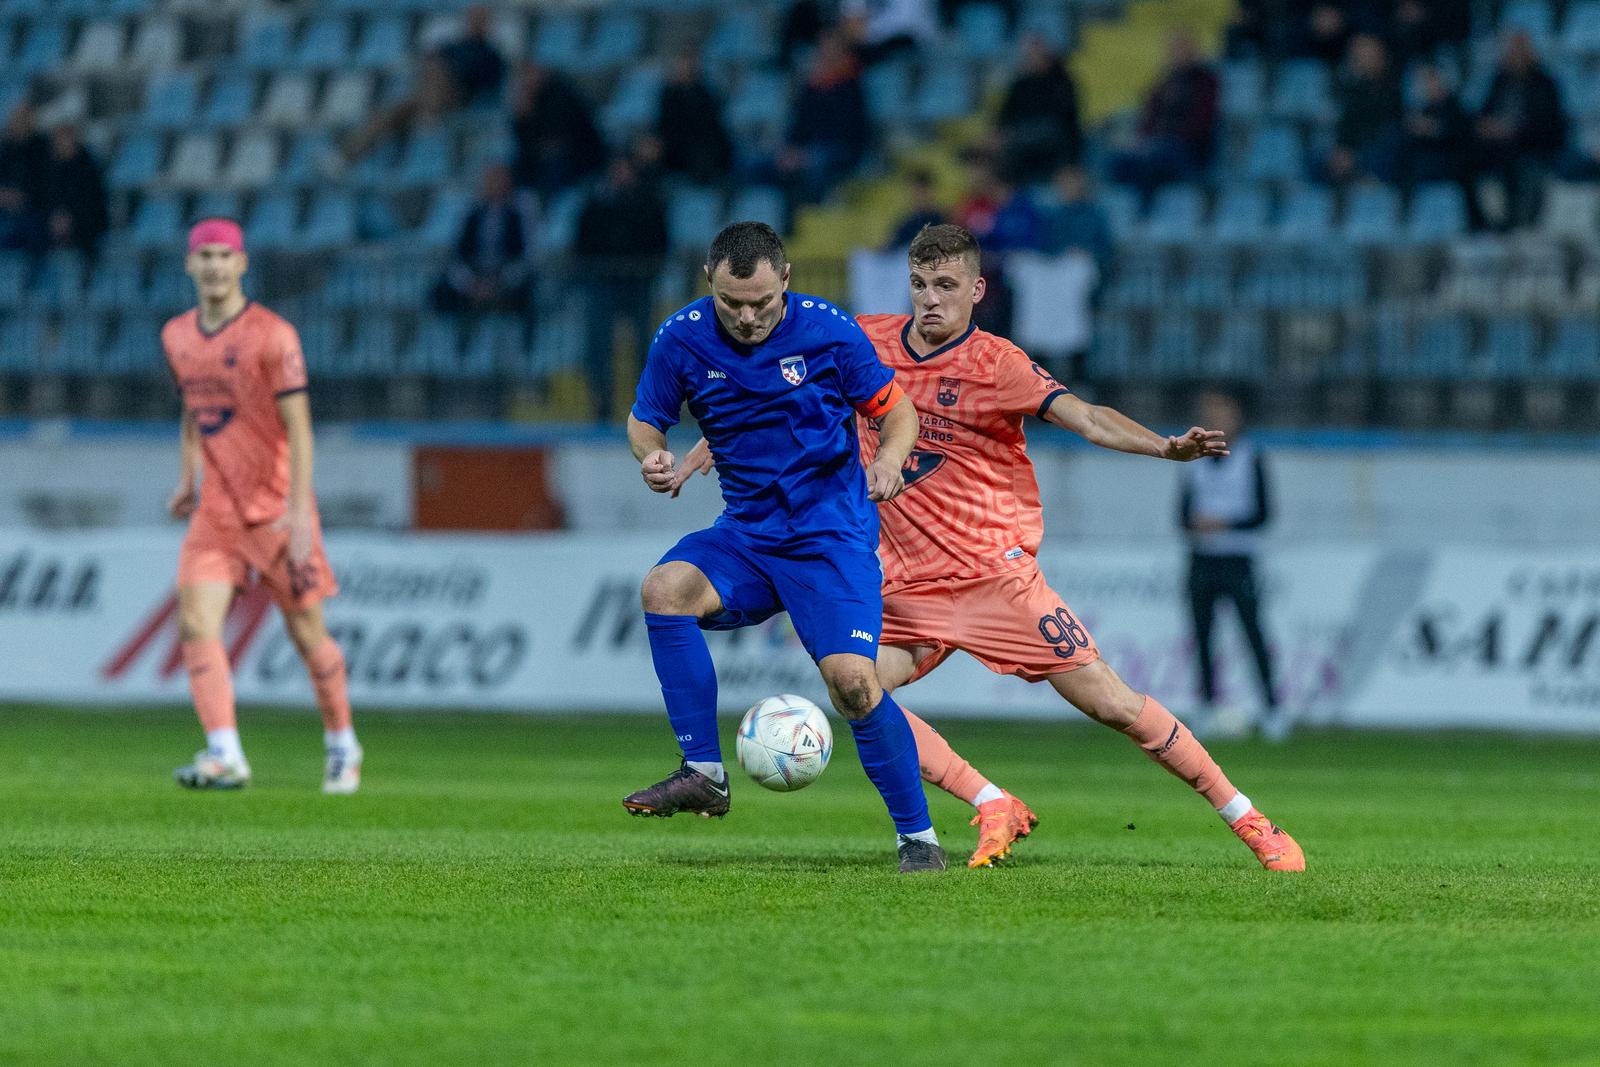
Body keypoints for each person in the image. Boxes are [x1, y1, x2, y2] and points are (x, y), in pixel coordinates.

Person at [673, 224, 1305, 872]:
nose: (930, 299)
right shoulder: (863, 339)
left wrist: (1164, 446)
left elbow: (1085, 417)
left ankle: (1249, 818)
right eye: (919, 285)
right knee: (857, 688)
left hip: (992, 579)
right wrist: (707, 442)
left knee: (1112, 703)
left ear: (976, 289)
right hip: (905, 581)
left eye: (946, 285)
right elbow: (768, 394)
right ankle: (990, 799)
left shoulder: (997, 364)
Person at [622, 221, 946, 873]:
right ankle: (705, 772)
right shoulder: (680, 337)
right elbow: (644, 421)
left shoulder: (829, 330)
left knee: (854, 684)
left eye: (762, 302)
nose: (746, 317)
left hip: (830, 535)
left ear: (787, 280)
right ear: (708, 282)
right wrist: (653, 458)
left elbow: (899, 411)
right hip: (747, 533)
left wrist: (887, 461)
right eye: (731, 303)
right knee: (664, 589)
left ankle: (919, 838)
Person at [162, 218, 361, 794]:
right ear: (190, 265)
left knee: (308, 637)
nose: (216, 266)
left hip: (276, 511)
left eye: (226, 256)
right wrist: (186, 479)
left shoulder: (274, 335)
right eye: (206, 256)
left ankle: (342, 741)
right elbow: (193, 410)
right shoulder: (176, 336)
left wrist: (300, 515)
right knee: (196, 622)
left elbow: (299, 429)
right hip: (216, 513)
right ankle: (224, 752)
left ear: (242, 264)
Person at [1178, 390, 1282, 739]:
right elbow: (1181, 514)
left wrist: (1225, 524)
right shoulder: (1192, 457)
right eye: (1209, 412)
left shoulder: (1251, 456)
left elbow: (1264, 514)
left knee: (1252, 634)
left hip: (1239, 558)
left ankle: (1272, 708)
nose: (1215, 419)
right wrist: (1196, 524)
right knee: (1203, 635)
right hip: (1202, 558)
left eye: (1221, 412)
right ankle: (1207, 707)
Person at [335, 5, 505, 170]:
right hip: (427, 97)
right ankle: (345, 157)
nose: (474, 23)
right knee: (391, 112)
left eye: (479, 20)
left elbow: (487, 85)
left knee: (437, 71)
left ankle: (429, 113)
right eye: (473, 19)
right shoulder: (453, 46)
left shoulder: (491, 54)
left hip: (460, 98)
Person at [573, 155, 669, 423]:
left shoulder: (648, 204)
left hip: (639, 282)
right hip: (603, 282)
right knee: (599, 346)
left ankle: (647, 407)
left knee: (643, 347)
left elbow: (660, 241)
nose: (621, 176)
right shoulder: (595, 205)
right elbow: (582, 242)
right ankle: (601, 404)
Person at [1467, 31, 1569, 231]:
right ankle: (1480, 224)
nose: (1513, 55)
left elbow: (1546, 123)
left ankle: (1515, 222)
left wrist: (1511, 130)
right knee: (1463, 160)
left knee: (1513, 161)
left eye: (1518, 50)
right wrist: (1487, 127)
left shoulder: (1544, 82)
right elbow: (1484, 112)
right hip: (1497, 143)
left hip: (1532, 144)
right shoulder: (1500, 80)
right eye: (1510, 50)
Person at [1107, 30, 1219, 200]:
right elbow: (1149, 117)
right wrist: (1143, 141)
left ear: (1194, 50)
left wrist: (1162, 140)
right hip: (1157, 146)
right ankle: (1131, 211)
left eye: (1181, 48)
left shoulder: (1206, 81)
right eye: (1173, 49)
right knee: (1117, 161)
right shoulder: (1164, 81)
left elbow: (1202, 124)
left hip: (1189, 150)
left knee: (1155, 158)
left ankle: (1145, 210)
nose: (1176, 53)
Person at [430, 163, 537, 323]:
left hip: (505, 276)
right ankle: (457, 339)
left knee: (526, 293)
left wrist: (500, 282)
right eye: (489, 179)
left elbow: (527, 256)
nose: (494, 184)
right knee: (441, 292)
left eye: (499, 179)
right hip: (475, 275)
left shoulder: (520, 214)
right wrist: (470, 283)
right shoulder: (471, 214)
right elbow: (457, 255)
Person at [778, 32, 871, 210]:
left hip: (843, 149)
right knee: (758, 164)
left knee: (817, 161)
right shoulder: (813, 85)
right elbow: (800, 123)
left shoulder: (852, 83)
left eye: (831, 50)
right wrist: (791, 148)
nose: (825, 54)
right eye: (823, 50)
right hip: (809, 149)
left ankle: (814, 214)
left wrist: (804, 155)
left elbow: (848, 130)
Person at [509, 61, 607, 198]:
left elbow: (562, 139)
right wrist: (522, 120)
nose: (526, 80)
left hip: (581, 157)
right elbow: (525, 143)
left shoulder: (563, 96)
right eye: (523, 76)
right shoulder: (530, 102)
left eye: (530, 74)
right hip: (544, 156)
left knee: (555, 165)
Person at [995, 36, 1082, 184]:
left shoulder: (1062, 82)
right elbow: (1003, 117)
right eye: (1029, 54)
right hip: (1022, 139)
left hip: (1053, 140)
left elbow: (1068, 119)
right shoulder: (1019, 85)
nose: (1031, 57)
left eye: (1036, 53)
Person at [1323, 34, 1403, 185]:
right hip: (1351, 146)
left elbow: (1383, 122)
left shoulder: (1393, 86)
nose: (1363, 59)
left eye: (1368, 54)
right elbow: (1347, 123)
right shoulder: (1350, 87)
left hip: (1377, 144)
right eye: (1358, 55)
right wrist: (1342, 148)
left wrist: (1354, 153)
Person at [655, 52, 733, 186]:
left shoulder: (704, 94)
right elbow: (664, 125)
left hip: (700, 147)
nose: (683, 68)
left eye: (688, 65)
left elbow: (709, 126)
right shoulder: (667, 94)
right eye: (680, 64)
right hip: (673, 146)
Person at [40, 124, 108, 258]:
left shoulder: (87, 166)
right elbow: (46, 197)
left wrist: (71, 218)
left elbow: (93, 200)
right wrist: (55, 216)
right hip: (55, 221)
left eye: (64, 138)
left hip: (86, 221)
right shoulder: (50, 168)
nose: (60, 144)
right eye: (57, 140)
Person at [0, 101, 48, 253]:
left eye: (23, 118)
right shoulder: (5, 148)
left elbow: (47, 183)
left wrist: (22, 197)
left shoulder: (42, 148)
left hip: (33, 210)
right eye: (16, 118)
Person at [882, 168, 944, 250]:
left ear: (930, 192)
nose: (916, 196)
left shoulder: (939, 219)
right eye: (914, 192)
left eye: (920, 192)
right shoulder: (908, 222)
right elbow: (888, 246)